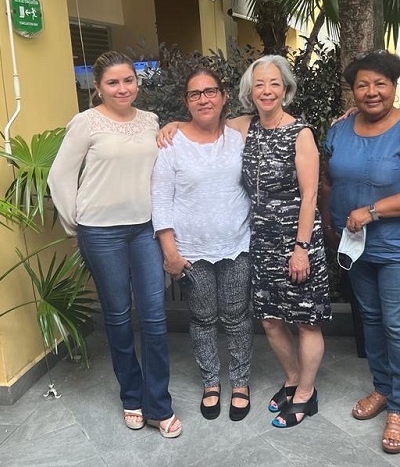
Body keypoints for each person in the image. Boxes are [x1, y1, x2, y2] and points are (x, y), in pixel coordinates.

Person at [48, 51, 181, 439]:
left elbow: (163, 159)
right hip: (100, 232)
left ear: (137, 83)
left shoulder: (150, 120)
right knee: (119, 317)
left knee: (155, 318)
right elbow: (60, 177)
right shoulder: (85, 123)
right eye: (113, 82)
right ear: (98, 86)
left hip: (144, 230)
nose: (122, 88)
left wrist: (173, 125)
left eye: (128, 80)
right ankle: (131, 397)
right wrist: (76, 227)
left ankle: (160, 404)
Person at [321, 50, 400, 454]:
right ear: (352, 90)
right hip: (356, 247)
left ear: (393, 87)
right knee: (370, 319)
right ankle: (382, 388)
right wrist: (331, 221)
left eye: (380, 84)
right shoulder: (339, 130)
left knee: (396, 323)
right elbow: (329, 180)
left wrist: (372, 211)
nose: (371, 92)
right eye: (362, 85)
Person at [151, 67, 254, 422]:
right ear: (186, 102)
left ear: (224, 97)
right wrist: (170, 252)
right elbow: (161, 199)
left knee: (238, 317)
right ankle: (212, 382)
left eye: (210, 91)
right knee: (203, 318)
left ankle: (240, 382)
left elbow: (274, 112)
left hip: (237, 244)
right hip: (190, 251)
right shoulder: (171, 143)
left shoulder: (239, 135)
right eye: (195, 94)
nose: (203, 99)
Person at [238, 55, 331, 429]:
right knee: (270, 319)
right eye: (259, 84)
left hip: (298, 241)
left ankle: (307, 394)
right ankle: (292, 378)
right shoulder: (246, 127)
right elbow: (204, 126)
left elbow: (310, 195)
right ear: (250, 91)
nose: (266, 90)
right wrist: (174, 126)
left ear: (286, 89)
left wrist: (301, 249)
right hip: (260, 241)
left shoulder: (300, 132)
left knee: (306, 321)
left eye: (274, 83)